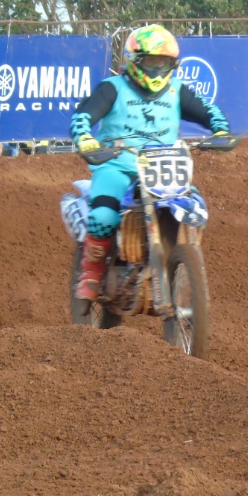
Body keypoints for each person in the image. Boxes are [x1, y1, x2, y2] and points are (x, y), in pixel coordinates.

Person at [69, 24, 231, 302]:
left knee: (195, 207)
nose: (157, 69)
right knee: (104, 217)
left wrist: (221, 130)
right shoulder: (112, 88)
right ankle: (92, 272)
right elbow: (83, 114)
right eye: (152, 62)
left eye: (164, 63)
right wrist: (85, 138)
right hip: (116, 165)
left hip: (162, 168)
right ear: (135, 61)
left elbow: (208, 111)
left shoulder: (176, 90)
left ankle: (179, 261)